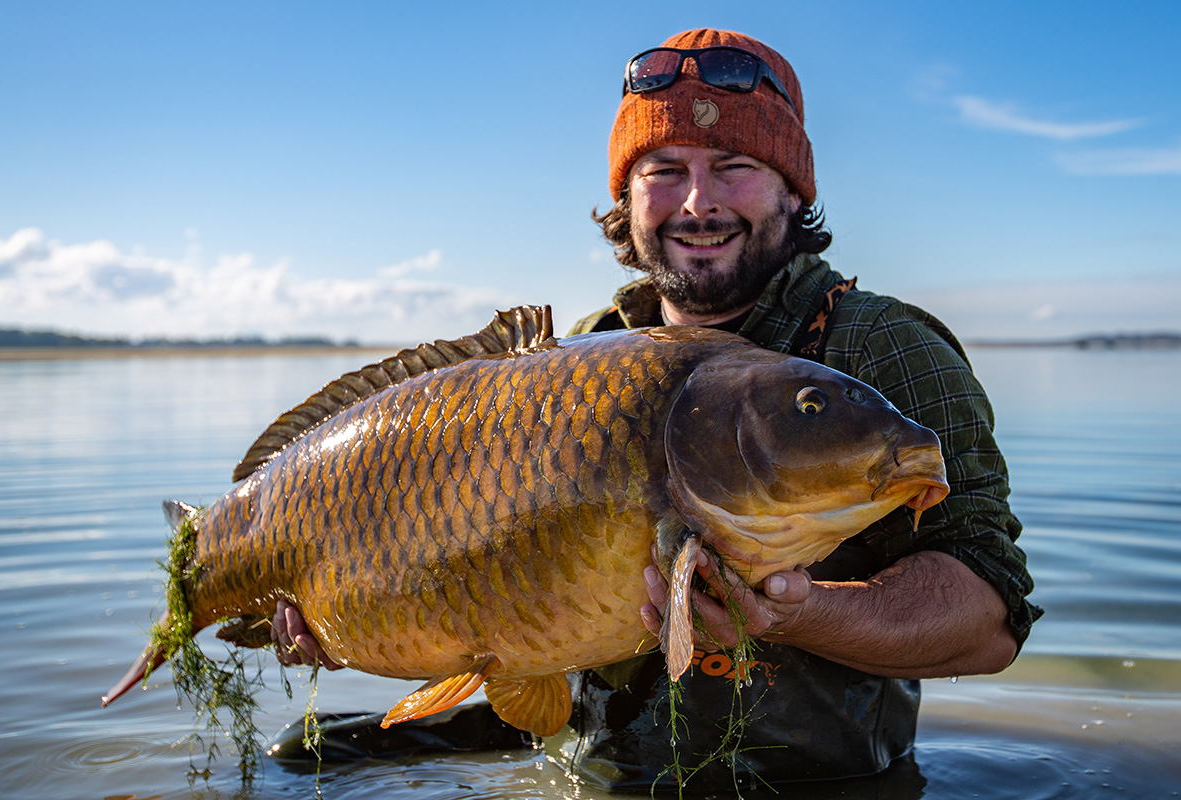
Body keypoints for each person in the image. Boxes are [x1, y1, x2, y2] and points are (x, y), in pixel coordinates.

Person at [266, 28, 1041, 791]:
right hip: (590, 778)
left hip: (822, 786)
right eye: (665, 171)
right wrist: (358, 617)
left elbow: (991, 617)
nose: (698, 203)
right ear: (626, 199)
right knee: (297, 756)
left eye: (733, 167)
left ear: (793, 190)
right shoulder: (574, 358)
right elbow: (474, 575)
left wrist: (799, 616)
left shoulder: (882, 348)